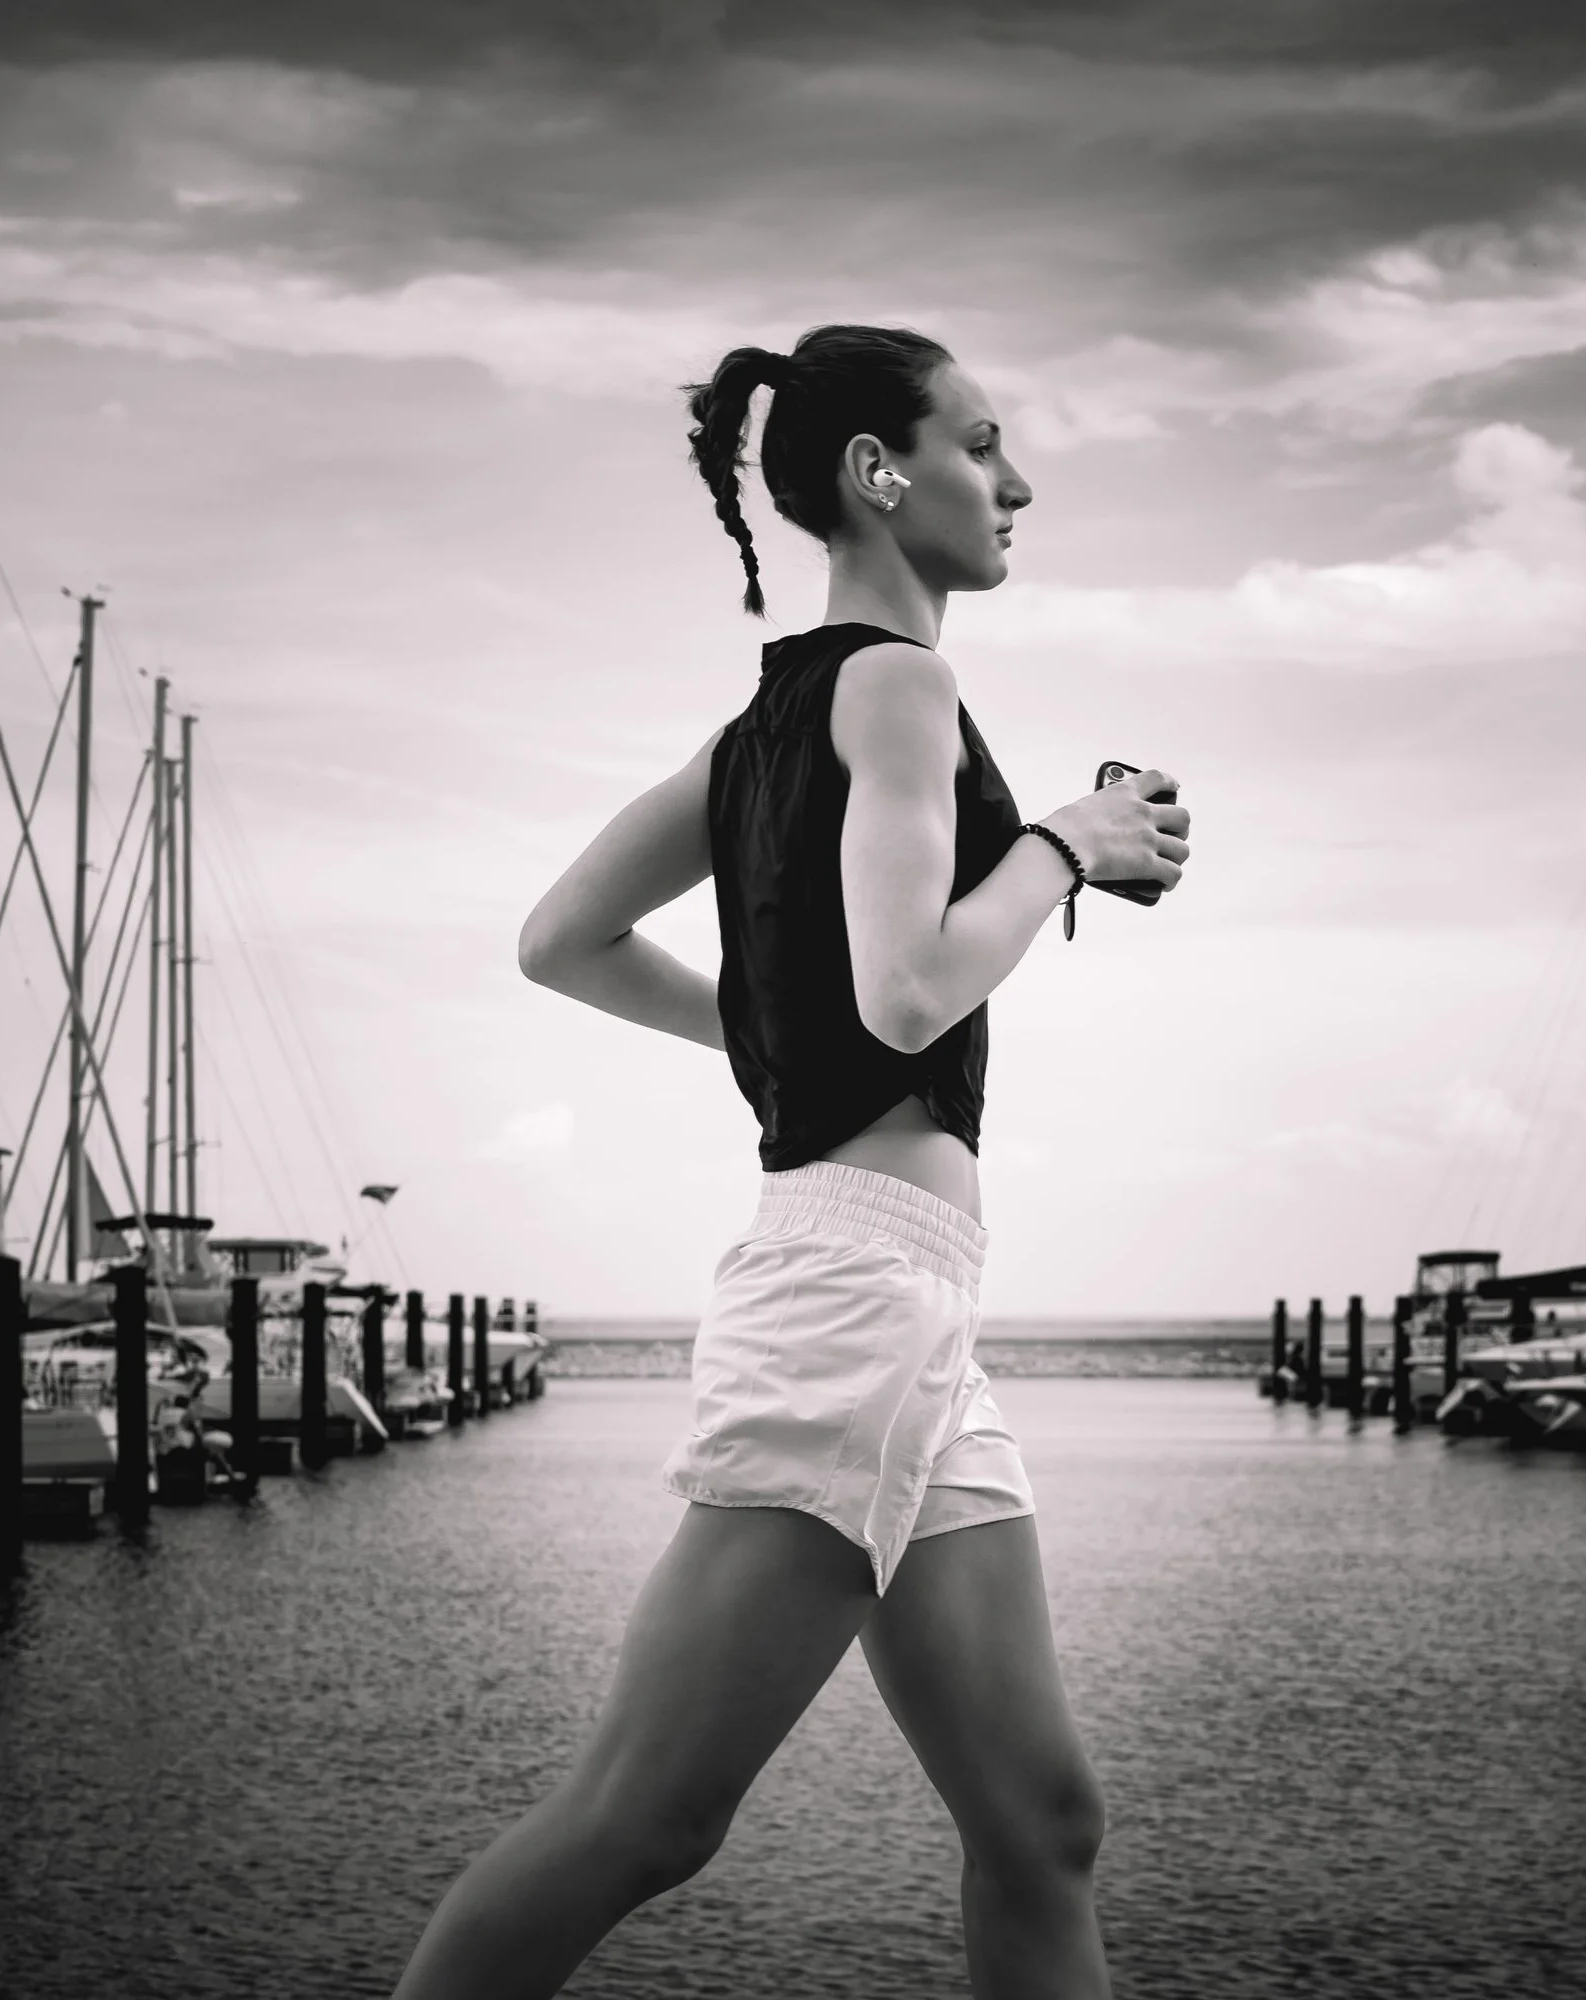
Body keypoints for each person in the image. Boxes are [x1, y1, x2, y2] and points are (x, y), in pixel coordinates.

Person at [391, 323, 1190, 1998]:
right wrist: (1066, 842)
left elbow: (560, 940)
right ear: (879, 474)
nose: (1019, 480)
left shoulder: (761, 724)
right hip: (854, 1300)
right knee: (645, 1817)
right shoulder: (901, 684)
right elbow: (907, 994)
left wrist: (772, 1041)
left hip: (911, 1317)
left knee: (1043, 1823)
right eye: (983, 443)